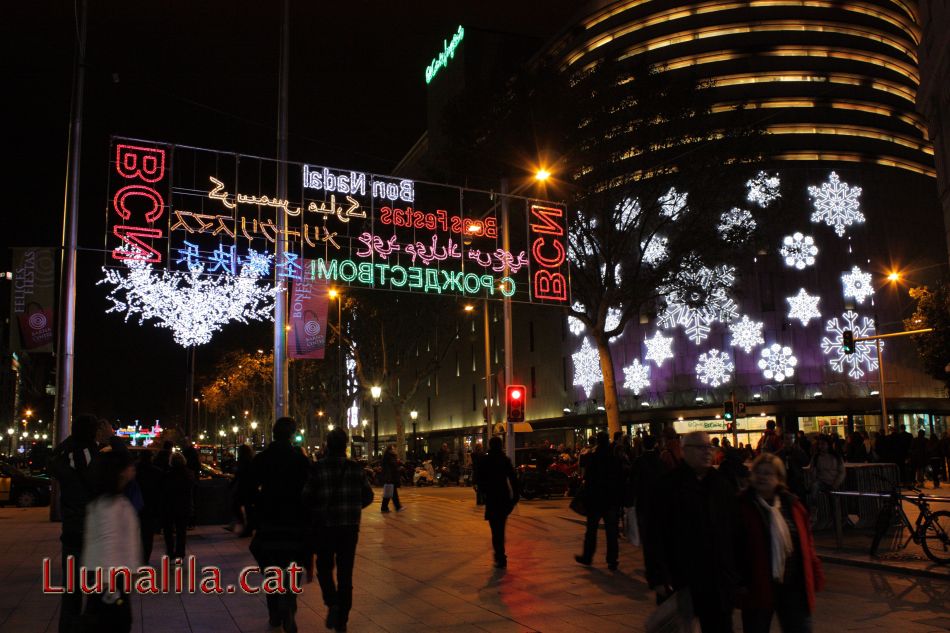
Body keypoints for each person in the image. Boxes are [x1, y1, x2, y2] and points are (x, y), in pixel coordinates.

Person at [644, 431, 739, 633]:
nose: (706, 452)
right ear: (685, 451)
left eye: (709, 447)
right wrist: (658, 576)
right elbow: (654, 534)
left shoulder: (721, 485)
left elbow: (735, 531)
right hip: (683, 579)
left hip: (718, 580)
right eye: (700, 447)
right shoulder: (668, 486)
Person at [737, 453, 824, 633]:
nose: (762, 477)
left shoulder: (792, 505)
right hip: (758, 587)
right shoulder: (742, 505)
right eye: (758, 472)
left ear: (779, 478)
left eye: (768, 473)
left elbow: (806, 544)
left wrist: (815, 571)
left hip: (793, 586)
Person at [302, 427, 373, 632]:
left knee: (324, 569)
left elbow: (306, 497)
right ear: (345, 446)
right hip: (349, 529)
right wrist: (351, 507)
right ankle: (342, 619)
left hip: (325, 528)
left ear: (327, 446)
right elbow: (368, 496)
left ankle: (332, 602)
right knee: (345, 574)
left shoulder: (317, 468)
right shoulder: (356, 469)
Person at [250, 418, 310, 633]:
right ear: (292, 434)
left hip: (269, 521)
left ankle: (275, 611)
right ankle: (289, 602)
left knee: (271, 567)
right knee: (293, 567)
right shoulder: (300, 460)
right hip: (294, 522)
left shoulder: (262, 459)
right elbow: (309, 491)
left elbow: (249, 489)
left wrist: (260, 504)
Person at [48, 413, 100, 633]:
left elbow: (52, 461)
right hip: (92, 531)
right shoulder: (92, 456)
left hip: (71, 530)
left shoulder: (63, 457)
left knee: (71, 593)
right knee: (97, 592)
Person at [82, 449, 142, 633]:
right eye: (130, 465)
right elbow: (106, 543)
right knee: (114, 624)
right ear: (120, 471)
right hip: (109, 581)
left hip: (111, 579)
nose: (133, 468)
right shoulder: (110, 505)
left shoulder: (107, 502)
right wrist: (109, 583)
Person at [575, 431, 625, 570]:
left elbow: (587, 476)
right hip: (610, 500)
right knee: (611, 532)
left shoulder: (593, 456)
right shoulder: (614, 458)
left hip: (595, 499)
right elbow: (620, 478)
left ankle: (587, 556)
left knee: (591, 530)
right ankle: (612, 560)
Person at [475, 435, 519, 568]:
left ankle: (500, 555)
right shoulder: (504, 459)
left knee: (495, 529)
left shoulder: (485, 460)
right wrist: (515, 496)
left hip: (492, 497)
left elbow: (480, 478)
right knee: (501, 526)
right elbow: (513, 478)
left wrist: (482, 493)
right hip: (503, 496)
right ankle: (500, 554)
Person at [161, 452, 194, 559]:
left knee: (168, 531)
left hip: (169, 506)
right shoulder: (189, 474)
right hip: (184, 506)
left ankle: (170, 552)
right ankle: (180, 553)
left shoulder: (167, 475)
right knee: (181, 532)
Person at [134, 449, 163, 564]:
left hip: (136, 507)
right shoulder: (157, 472)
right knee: (147, 536)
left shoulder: (135, 471)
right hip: (151, 507)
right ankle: (145, 559)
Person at [380, 445, 404, 512]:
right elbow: (391, 467)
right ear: (389, 450)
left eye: (395, 449)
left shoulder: (390, 456)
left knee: (390, 493)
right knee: (392, 493)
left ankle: (385, 508)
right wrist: (398, 465)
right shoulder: (389, 457)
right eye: (393, 449)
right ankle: (397, 507)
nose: (395, 450)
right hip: (390, 477)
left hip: (391, 477)